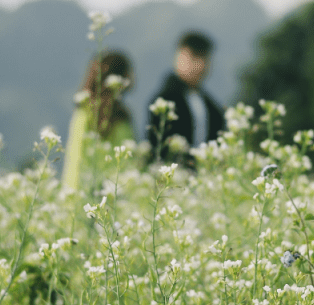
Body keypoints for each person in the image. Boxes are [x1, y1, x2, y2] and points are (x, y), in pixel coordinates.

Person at [146, 31, 225, 166]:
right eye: (194, 57)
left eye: (204, 58)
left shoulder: (212, 106)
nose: (200, 65)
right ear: (178, 57)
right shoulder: (164, 100)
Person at [62, 51, 135, 191]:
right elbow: (78, 160)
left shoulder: (120, 115)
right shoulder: (86, 112)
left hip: (114, 193)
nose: (132, 77)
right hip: (88, 193)